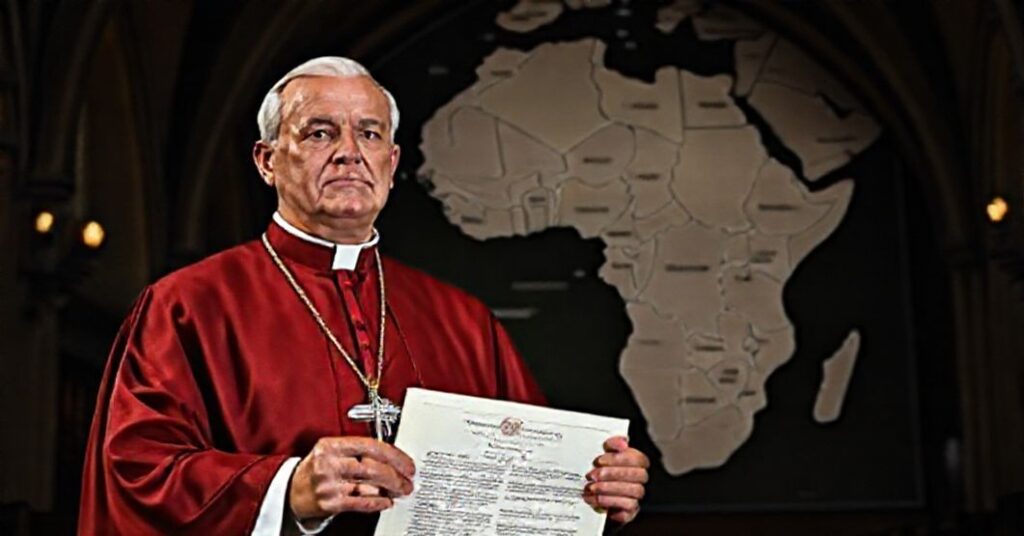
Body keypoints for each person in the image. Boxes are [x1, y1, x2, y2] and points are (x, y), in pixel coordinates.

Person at [78, 56, 649, 535]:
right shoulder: (185, 306)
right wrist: (287, 487)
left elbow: (527, 482)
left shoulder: (462, 319)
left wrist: (595, 486)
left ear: (392, 163)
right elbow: (135, 473)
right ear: (267, 161)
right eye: (320, 132)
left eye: (369, 133)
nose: (350, 151)